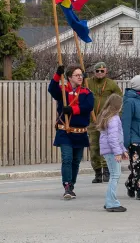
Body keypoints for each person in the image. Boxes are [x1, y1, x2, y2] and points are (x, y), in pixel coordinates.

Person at [49, 64, 95, 200]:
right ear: (69, 77)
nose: (80, 77)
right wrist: (57, 75)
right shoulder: (63, 91)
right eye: (77, 75)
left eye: (81, 75)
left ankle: (72, 185)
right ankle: (67, 185)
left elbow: (88, 106)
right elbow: (51, 89)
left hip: (80, 132)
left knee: (76, 161)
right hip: (65, 132)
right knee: (67, 159)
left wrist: (73, 110)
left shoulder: (86, 92)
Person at [86, 62, 122, 184]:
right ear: (94, 72)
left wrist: (116, 117)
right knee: (94, 147)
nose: (100, 73)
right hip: (91, 121)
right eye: (97, 71)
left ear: (106, 71)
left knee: (106, 147)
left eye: (102, 71)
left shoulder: (111, 84)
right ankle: (97, 173)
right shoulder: (88, 83)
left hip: (106, 121)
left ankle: (107, 171)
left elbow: (118, 101)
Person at [97, 94, 128, 212]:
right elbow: (113, 138)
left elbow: (117, 137)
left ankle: (109, 201)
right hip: (111, 151)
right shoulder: (114, 118)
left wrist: (123, 150)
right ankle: (111, 203)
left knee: (114, 175)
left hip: (109, 150)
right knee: (115, 175)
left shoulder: (106, 116)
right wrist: (117, 152)